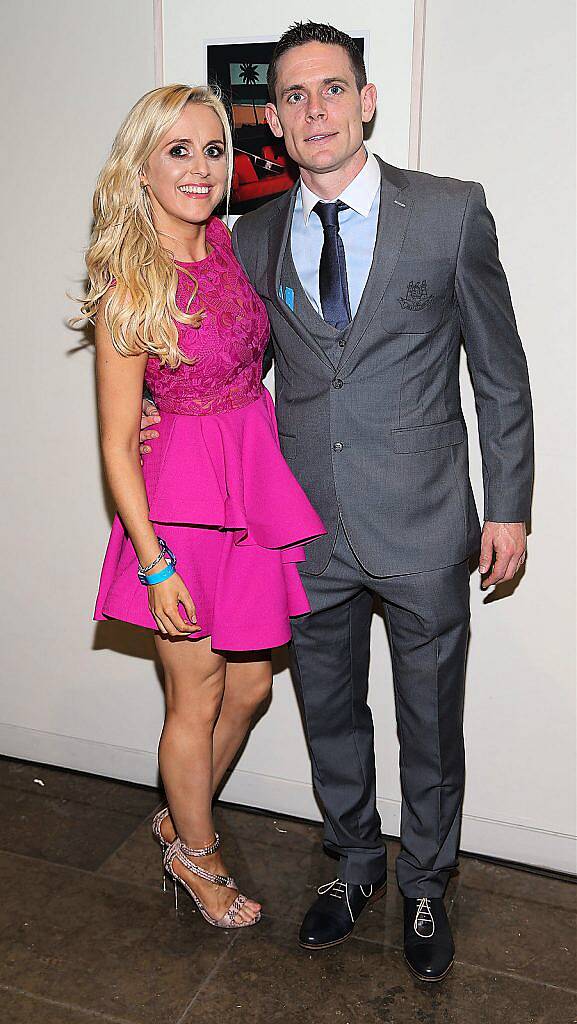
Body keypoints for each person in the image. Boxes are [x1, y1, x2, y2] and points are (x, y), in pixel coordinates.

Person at [142, 22, 533, 981]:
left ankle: (429, 884)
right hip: (301, 528)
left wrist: (509, 506)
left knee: (431, 720)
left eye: (332, 88)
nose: (314, 109)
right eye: (294, 96)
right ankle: (354, 862)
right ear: (272, 121)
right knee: (327, 711)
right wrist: (159, 413)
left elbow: (500, 372)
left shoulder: (448, 212)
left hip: (428, 521)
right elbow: (231, 363)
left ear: (364, 100)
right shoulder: (252, 233)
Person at [78, 83, 325, 931]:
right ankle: (195, 851)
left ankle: (180, 815)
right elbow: (116, 443)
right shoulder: (127, 285)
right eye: (176, 150)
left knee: (251, 687)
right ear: (140, 166)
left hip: (250, 482)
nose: (198, 167)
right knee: (197, 694)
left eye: (212, 149)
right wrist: (154, 562)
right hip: (179, 506)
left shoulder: (226, 241)